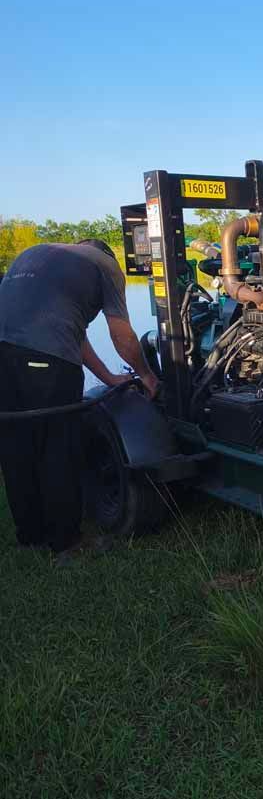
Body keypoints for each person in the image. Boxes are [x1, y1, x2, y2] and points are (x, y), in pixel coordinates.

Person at [0, 238, 159, 559]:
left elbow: (73, 335)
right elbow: (122, 334)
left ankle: (30, 535)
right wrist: (146, 374)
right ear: (106, 252)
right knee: (58, 446)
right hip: (46, 359)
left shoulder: (37, 254)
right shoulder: (106, 265)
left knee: (17, 445)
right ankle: (66, 542)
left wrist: (111, 379)